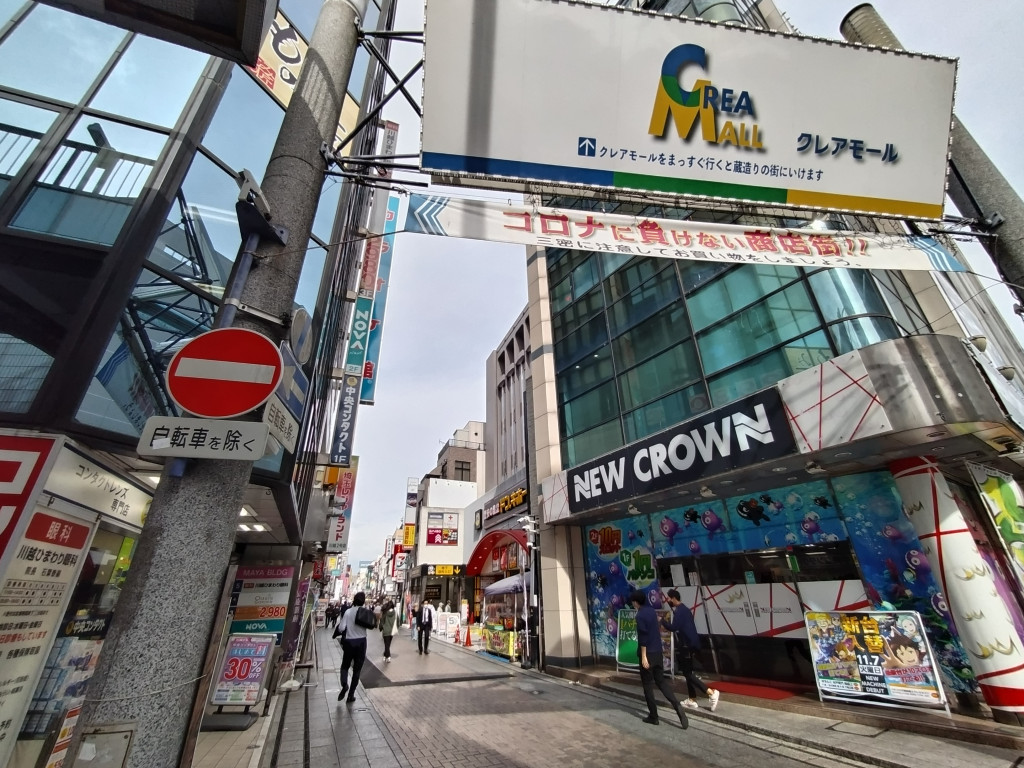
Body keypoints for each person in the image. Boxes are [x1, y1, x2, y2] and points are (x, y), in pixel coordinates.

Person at [630, 590, 687, 729]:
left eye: (633, 602)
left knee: (647, 686)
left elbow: (643, 637)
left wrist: (643, 656)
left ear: (636, 602)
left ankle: (654, 716)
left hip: (648, 654)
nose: (633, 604)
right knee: (661, 682)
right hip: (657, 652)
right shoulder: (651, 611)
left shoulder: (640, 615)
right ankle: (677, 705)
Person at [661, 589, 719, 712]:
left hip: (686, 645)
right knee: (688, 672)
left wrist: (662, 621)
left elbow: (673, 627)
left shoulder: (680, 611)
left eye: (669, 598)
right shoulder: (685, 609)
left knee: (687, 673)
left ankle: (711, 692)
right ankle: (692, 699)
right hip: (691, 644)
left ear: (673, 598)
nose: (668, 600)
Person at [336, 591, 369, 703]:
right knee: (357, 670)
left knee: (345, 666)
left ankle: (345, 684)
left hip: (349, 642)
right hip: (362, 642)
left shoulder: (348, 612)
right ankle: (351, 695)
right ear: (363, 601)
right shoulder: (365, 612)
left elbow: (341, 628)